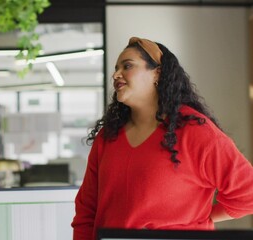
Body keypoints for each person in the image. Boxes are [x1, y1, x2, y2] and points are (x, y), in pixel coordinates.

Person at [72, 37, 253, 239]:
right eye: (116, 68)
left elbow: (249, 195)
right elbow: (86, 210)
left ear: (157, 72)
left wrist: (201, 217)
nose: (116, 74)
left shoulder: (195, 132)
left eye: (127, 66)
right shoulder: (108, 136)